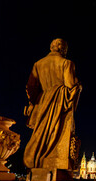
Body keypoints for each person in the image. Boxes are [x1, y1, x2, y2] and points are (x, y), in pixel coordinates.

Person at [24, 38, 82, 170]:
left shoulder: (38, 64)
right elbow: (70, 86)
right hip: (58, 103)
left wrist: (33, 103)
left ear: (52, 47)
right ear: (63, 49)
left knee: (41, 134)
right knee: (56, 132)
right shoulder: (67, 63)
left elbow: (30, 87)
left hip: (42, 103)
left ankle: (37, 159)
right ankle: (53, 160)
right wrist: (79, 87)